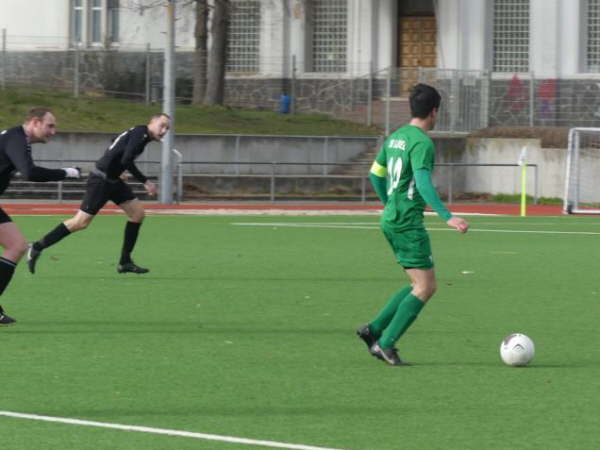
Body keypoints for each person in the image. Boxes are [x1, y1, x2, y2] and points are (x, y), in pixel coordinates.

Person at [356, 84, 469, 366]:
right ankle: (385, 344)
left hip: (392, 218)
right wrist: (448, 216)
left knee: (418, 283)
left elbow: (374, 174)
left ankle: (374, 329)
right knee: (426, 287)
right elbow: (422, 182)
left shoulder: (395, 137)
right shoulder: (421, 142)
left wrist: (389, 202)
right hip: (407, 222)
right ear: (434, 111)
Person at [27, 113, 171, 276]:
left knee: (137, 214)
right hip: (101, 180)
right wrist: (146, 181)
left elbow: (115, 142)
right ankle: (37, 246)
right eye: (162, 125)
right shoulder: (141, 133)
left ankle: (125, 262)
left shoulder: (140, 134)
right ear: (151, 122)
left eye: (167, 128)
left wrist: (116, 167)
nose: (164, 130)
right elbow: (126, 160)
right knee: (80, 223)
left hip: (113, 180)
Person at [0, 108, 82, 325]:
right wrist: (67, 173)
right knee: (16, 246)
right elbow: (29, 172)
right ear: (35, 122)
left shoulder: (16, 139)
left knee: (17, 246)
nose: (53, 131)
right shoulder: (16, 138)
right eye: (50, 125)